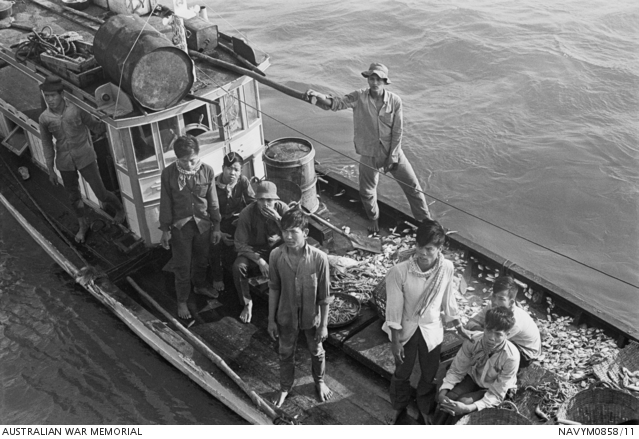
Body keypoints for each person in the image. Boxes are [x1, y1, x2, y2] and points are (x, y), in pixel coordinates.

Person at [306, 62, 431, 233]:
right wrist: (318, 96)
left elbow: (398, 131)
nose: (375, 82)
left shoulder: (395, 101)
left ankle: (425, 223)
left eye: (379, 79)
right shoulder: (359, 97)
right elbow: (336, 103)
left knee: (413, 187)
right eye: (372, 78)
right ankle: (373, 218)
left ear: (385, 82)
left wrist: (393, 156)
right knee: (367, 191)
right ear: (368, 80)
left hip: (392, 151)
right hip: (368, 152)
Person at [383, 218, 467, 424]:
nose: (423, 253)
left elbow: (448, 299)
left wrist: (458, 325)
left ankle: (424, 408)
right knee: (402, 371)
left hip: (432, 331)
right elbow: (393, 310)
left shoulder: (446, 268)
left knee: (429, 374)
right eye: (420, 247)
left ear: (440, 248)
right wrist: (395, 342)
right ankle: (398, 406)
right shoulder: (398, 272)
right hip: (406, 329)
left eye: (429, 249)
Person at [39, 75, 125, 243]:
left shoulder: (77, 109)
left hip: (85, 157)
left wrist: (109, 120)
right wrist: (50, 169)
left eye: (53, 95)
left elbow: (96, 127)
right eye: (46, 96)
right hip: (64, 163)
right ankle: (83, 225)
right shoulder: (44, 118)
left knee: (100, 192)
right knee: (73, 197)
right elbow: (47, 145)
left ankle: (120, 209)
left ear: (61, 94)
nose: (50, 100)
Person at [267, 208, 333, 407]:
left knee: (317, 351)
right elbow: (274, 288)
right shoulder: (275, 255)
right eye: (285, 231)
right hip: (286, 317)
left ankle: (320, 381)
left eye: (294, 231)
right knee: (285, 353)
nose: (288, 236)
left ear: (305, 233)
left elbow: (325, 297)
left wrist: (323, 325)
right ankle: (285, 387)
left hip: (311, 318)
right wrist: (271, 320)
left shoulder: (319, 258)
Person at [159, 135, 221, 319]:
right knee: (182, 266)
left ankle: (200, 286)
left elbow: (213, 201)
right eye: (184, 161)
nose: (189, 165)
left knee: (202, 260)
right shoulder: (168, 174)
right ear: (177, 158)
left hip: (203, 225)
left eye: (192, 160)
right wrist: (165, 231)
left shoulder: (208, 171)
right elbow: (165, 203)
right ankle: (182, 301)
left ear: (198, 155)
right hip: (181, 229)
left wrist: (216, 226)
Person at [437, 307, 520, 418]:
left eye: (498, 334)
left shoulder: (511, 357)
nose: (491, 338)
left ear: (507, 335)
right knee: (448, 399)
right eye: (489, 330)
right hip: (473, 378)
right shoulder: (472, 341)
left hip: (492, 388)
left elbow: (496, 394)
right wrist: (443, 393)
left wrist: (468, 408)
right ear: (484, 326)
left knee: (464, 403)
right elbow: (457, 370)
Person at [233, 180, 289, 323]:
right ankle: (246, 303)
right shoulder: (247, 213)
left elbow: (295, 235)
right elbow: (239, 243)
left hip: (278, 247)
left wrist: (278, 219)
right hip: (255, 250)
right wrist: (260, 260)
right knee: (239, 267)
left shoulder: (283, 209)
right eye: (261, 200)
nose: (265, 204)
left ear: (275, 200)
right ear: (256, 200)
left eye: (269, 200)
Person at [466, 275, 541, 369]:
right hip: (503, 341)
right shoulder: (493, 306)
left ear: (511, 302)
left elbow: (491, 345)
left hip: (525, 353)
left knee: (485, 351)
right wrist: (480, 331)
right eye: (494, 296)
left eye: (501, 299)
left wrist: (479, 331)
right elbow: (471, 322)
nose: (495, 301)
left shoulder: (514, 322)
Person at [211, 152, 256, 293]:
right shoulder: (212, 186)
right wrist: (218, 231)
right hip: (218, 222)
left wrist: (245, 221)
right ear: (223, 168)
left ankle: (249, 268)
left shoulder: (242, 181)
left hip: (237, 220)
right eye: (229, 168)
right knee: (215, 243)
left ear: (240, 171)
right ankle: (217, 276)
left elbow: (252, 202)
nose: (232, 173)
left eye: (236, 169)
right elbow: (207, 212)